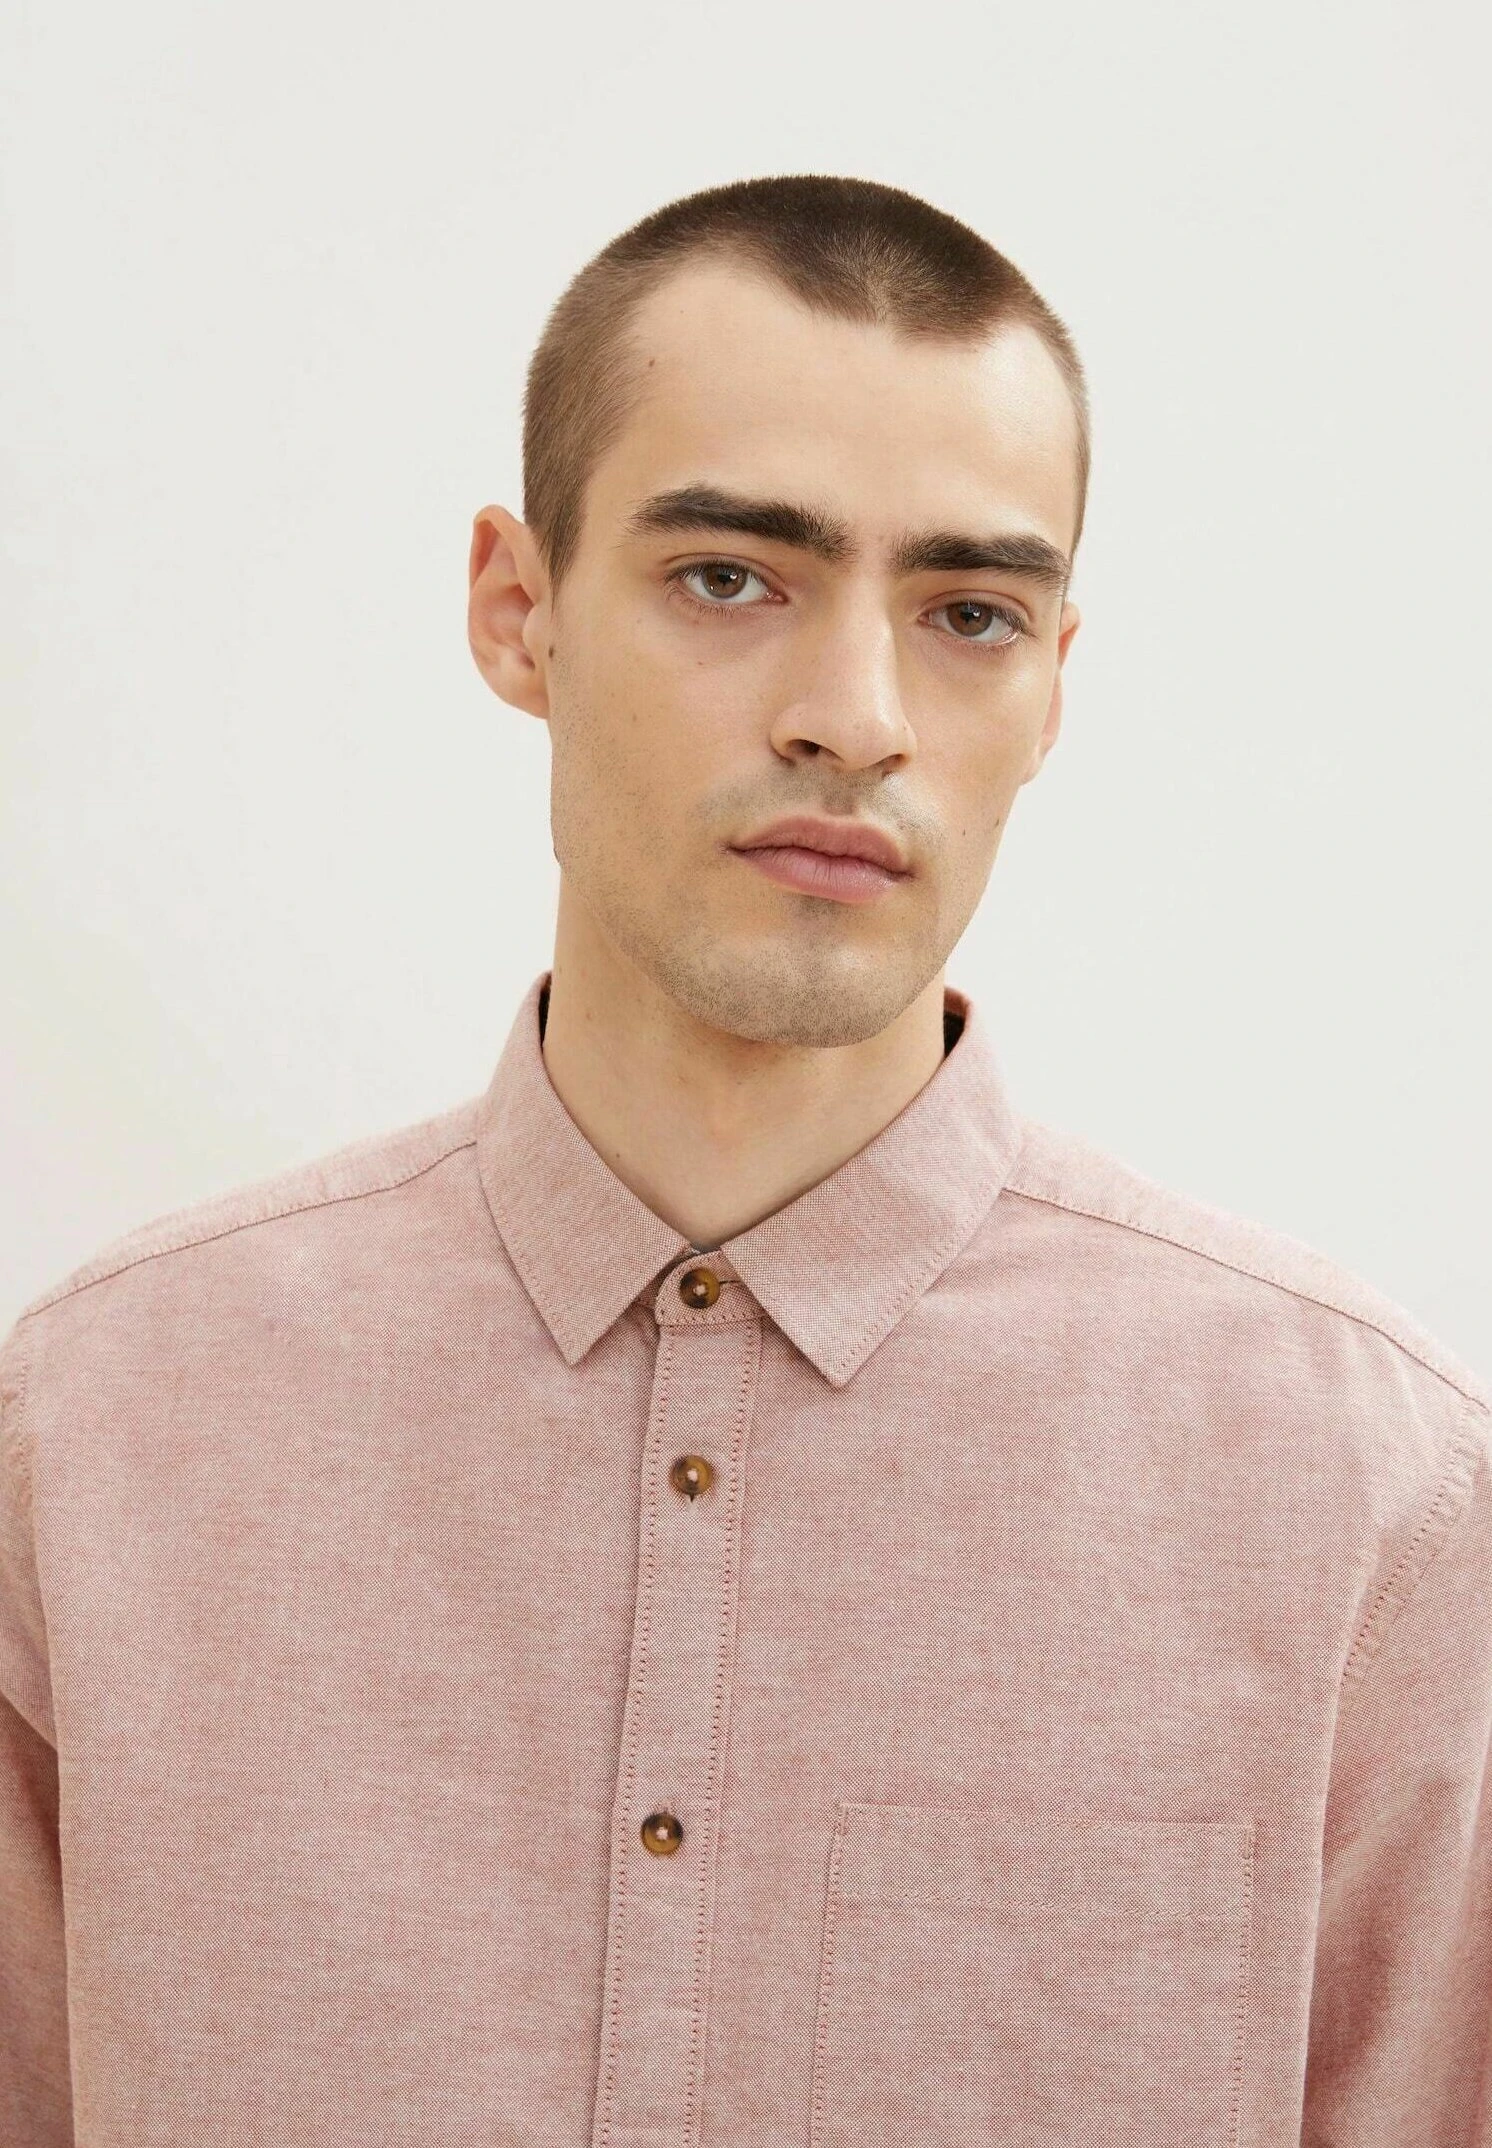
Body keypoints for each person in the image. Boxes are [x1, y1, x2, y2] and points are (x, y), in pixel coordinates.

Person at [2, 173, 1487, 2148]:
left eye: (968, 614)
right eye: (729, 578)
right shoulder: (99, 1433)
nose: (852, 719)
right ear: (515, 610)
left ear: (1053, 682)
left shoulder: (1363, 1495)